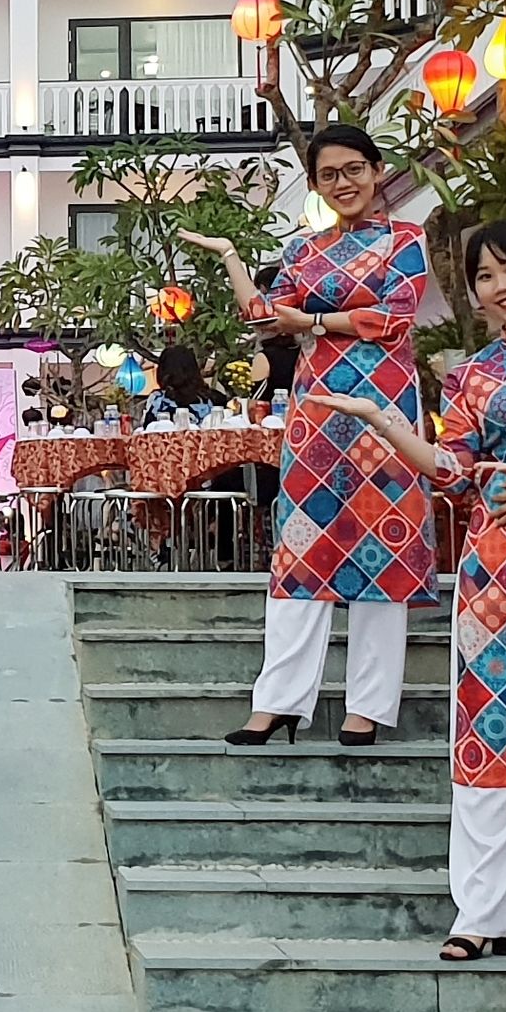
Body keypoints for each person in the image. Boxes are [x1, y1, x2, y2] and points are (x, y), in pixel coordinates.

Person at [308, 219, 506, 963]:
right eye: (484, 277)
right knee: (488, 737)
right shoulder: (471, 374)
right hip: (496, 574)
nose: (501, 287)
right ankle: (480, 915)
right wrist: (383, 421)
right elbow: (451, 467)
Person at [182, 124, 431, 747]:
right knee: (300, 549)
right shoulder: (304, 250)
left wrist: (315, 320)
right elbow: (266, 318)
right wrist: (233, 260)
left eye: (353, 170)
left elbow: (393, 320)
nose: (342, 183)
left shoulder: (409, 240)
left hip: (386, 406)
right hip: (316, 410)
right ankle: (277, 701)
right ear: (317, 185)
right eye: (328, 175)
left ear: (376, 171)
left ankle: (367, 707)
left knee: (386, 542)